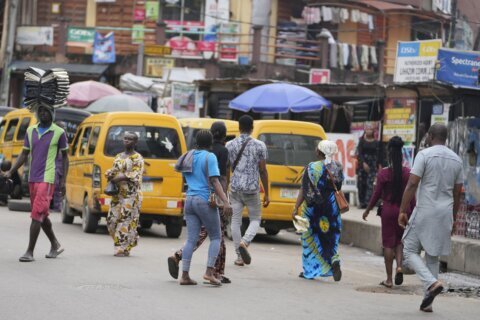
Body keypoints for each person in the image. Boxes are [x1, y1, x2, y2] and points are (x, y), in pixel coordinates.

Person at [399, 124, 463, 312]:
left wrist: (403, 209)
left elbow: (412, 184)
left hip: (425, 210)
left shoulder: (424, 155)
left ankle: (431, 283)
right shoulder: (457, 160)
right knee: (432, 256)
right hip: (444, 213)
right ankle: (428, 303)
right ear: (446, 137)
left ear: (430, 136)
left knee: (409, 249)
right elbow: (457, 194)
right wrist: (453, 218)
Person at [168, 121, 232, 284]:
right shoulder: (209, 157)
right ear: (210, 143)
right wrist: (225, 201)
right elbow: (215, 181)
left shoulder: (189, 155)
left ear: (196, 141)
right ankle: (209, 272)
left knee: (191, 239)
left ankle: (185, 276)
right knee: (216, 236)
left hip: (189, 200)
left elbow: (184, 174)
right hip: (204, 200)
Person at [4, 105, 69, 262]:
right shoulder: (30, 130)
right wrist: (10, 172)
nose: (43, 114)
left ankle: (29, 252)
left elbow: (66, 158)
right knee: (41, 214)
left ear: (52, 113)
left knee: (36, 215)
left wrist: (63, 181)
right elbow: (24, 154)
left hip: (47, 179)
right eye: (40, 111)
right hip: (33, 178)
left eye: (46, 111)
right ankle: (55, 244)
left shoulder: (59, 132)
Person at [362, 136, 415, 288]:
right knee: (399, 241)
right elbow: (411, 195)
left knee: (388, 244)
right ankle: (399, 266)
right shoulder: (407, 172)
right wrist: (413, 211)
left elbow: (376, 194)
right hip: (403, 211)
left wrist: (367, 210)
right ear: (401, 152)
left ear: (388, 153)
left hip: (388, 211)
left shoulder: (383, 173)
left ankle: (389, 279)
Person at [292, 140, 344, 281]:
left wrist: (296, 207)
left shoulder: (311, 167)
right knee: (329, 236)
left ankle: (310, 271)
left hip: (311, 209)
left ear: (318, 152)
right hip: (331, 208)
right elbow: (338, 187)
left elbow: (304, 189)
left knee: (308, 238)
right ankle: (334, 258)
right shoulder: (338, 167)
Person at [226, 115, 269, 266]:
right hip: (251, 189)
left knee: (235, 222)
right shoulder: (260, 146)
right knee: (256, 219)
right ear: (252, 128)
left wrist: (226, 190)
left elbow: (226, 169)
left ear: (239, 127)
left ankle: (239, 256)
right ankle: (245, 242)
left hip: (235, 188)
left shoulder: (229, 145)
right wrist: (267, 193)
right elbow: (263, 170)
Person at [105, 132, 144, 257]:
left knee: (125, 220)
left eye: (130, 139)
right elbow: (114, 171)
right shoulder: (118, 156)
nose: (127, 141)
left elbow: (136, 175)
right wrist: (110, 174)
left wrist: (120, 177)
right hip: (117, 194)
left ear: (135, 142)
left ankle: (120, 248)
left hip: (131, 195)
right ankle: (131, 238)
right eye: (125, 138)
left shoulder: (138, 158)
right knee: (111, 220)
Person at [356, 123, 383, 209]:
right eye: (367, 129)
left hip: (372, 165)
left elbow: (379, 154)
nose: (369, 131)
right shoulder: (361, 141)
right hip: (362, 165)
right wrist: (363, 163)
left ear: (373, 131)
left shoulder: (376, 142)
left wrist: (379, 165)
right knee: (361, 183)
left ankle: (368, 203)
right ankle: (362, 202)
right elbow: (359, 153)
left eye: (370, 129)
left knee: (370, 184)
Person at [51, 121, 66, 212]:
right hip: (55, 165)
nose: (65, 130)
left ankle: (58, 205)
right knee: (55, 186)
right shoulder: (54, 137)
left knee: (60, 186)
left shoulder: (64, 138)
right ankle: (56, 206)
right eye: (63, 128)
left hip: (62, 165)